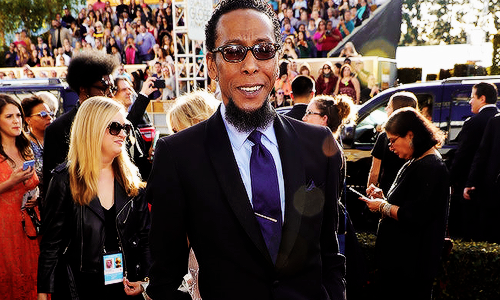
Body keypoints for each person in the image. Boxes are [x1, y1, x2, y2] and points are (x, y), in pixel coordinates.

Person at [145, 0, 346, 299]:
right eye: (234, 51)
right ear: (212, 64)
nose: (250, 65)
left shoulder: (320, 145)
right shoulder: (178, 156)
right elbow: (165, 277)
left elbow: (330, 253)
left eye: (264, 50)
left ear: (277, 62)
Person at [37, 97, 151, 300]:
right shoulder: (65, 180)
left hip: (127, 287)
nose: (123, 134)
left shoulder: (131, 179)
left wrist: (146, 281)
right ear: (93, 129)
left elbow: (146, 238)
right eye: (115, 127)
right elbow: (51, 244)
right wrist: (44, 292)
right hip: (80, 289)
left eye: (125, 127)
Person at [362, 107, 449, 300]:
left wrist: (382, 206)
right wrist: (383, 197)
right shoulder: (416, 161)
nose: (390, 147)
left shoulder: (431, 166)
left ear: (410, 135)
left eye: (393, 141)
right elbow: (409, 202)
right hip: (400, 264)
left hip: (410, 267)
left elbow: (414, 215)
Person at [43, 50, 119, 203]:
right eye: (104, 88)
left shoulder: (119, 125)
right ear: (83, 89)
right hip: (78, 209)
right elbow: (53, 187)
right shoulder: (58, 129)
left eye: (112, 88)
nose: (110, 94)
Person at [0, 94, 40, 299]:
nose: (16, 120)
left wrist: (37, 194)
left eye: (18, 115)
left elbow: (34, 183)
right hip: (4, 233)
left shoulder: (25, 148)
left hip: (30, 228)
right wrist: (10, 182)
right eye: (9, 116)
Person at [460, 83, 500, 242]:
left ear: (482, 98)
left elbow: (481, 155)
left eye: (472, 97)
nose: (469, 101)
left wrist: (470, 182)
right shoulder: (494, 121)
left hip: (492, 190)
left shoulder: (495, 122)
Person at [367, 92, 418, 195]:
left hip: (388, 191)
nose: (386, 109)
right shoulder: (419, 135)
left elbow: (375, 172)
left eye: (389, 106)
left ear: (397, 110)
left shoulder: (385, 136)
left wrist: (369, 192)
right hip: (411, 191)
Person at [21, 96, 54, 199]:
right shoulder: (22, 143)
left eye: (50, 114)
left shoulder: (58, 138)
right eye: (43, 114)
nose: (49, 117)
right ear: (28, 120)